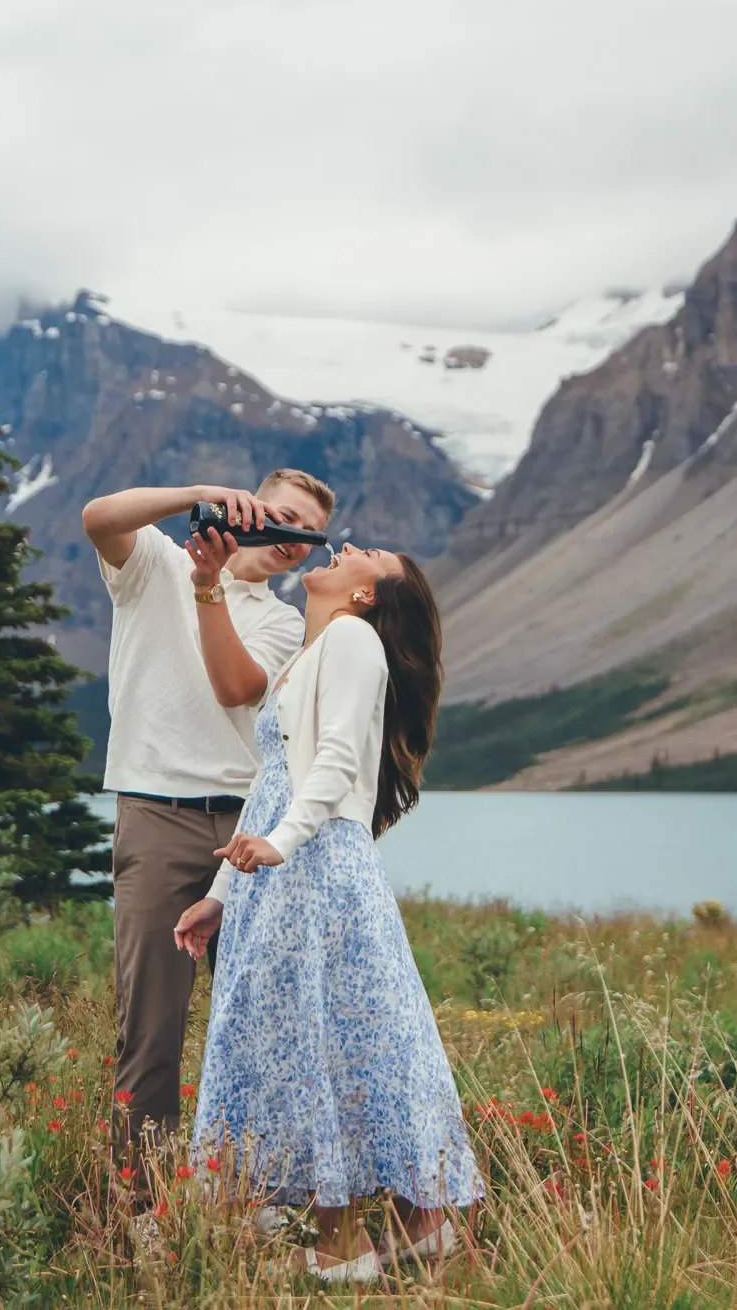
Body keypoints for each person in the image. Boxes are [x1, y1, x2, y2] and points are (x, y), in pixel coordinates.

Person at [175, 542, 483, 1283]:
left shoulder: (349, 640)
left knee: (317, 1041)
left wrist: (280, 845)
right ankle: (415, 1227)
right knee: (337, 1037)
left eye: (366, 554)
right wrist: (220, 897)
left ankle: (345, 1248)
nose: (345, 545)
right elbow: (271, 782)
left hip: (313, 866)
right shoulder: (310, 655)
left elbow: (341, 759)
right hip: (286, 866)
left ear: (366, 597)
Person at [80, 472, 335, 1176]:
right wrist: (196, 494)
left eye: (305, 536)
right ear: (245, 507)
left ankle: (253, 1194)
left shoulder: (287, 623)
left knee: (257, 1024)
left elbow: (238, 689)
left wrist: (210, 587)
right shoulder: (156, 562)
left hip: (248, 827)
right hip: (156, 814)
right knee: (151, 1027)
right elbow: (99, 514)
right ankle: (138, 1205)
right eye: (279, 518)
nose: (289, 541)